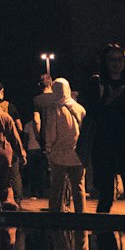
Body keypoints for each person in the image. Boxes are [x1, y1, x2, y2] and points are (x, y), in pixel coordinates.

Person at [79, 44, 125, 213]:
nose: (117, 64)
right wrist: (109, 100)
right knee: (105, 194)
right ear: (104, 62)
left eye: (120, 60)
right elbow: (91, 112)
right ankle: (104, 235)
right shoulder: (96, 83)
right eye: (112, 60)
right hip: (104, 142)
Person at [45, 78, 86, 216]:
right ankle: (81, 215)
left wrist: (48, 148)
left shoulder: (54, 109)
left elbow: (51, 133)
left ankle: (56, 216)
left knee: (57, 188)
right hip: (78, 156)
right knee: (79, 188)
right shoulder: (80, 108)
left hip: (59, 156)